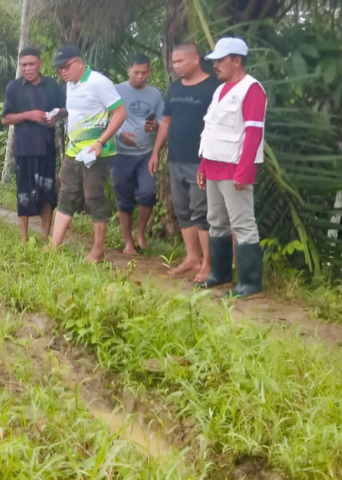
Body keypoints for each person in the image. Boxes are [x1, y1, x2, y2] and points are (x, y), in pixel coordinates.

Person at [198, 37, 267, 298]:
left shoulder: (252, 89)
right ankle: (221, 273)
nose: (215, 65)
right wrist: (203, 165)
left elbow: (253, 134)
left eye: (220, 60)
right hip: (214, 165)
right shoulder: (220, 90)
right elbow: (211, 131)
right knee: (217, 221)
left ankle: (250, 282)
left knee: (242, 223)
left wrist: (245, 170)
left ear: (236, 60)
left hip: (234, 168)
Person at [150, 43, 221, 284]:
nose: (176, 66)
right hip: (176, 160)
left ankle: (209, 265)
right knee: (183, 211)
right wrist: (156, 152)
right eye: (174, 62)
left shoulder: (214, 87)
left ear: (195, 59)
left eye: (180, 61)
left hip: (200, 162)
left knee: (202, 213)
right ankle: (192, 257)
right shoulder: (175, 87)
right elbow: (166, 122)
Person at [50, 45, 127, 262]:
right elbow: (79, 111)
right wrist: (60, 114)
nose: (62, 72)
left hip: (97, 154)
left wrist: (101, 142)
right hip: (74, 151)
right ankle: (53, 245)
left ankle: (98, 250)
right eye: (58, 69)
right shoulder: (70, 85)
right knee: (65, 193)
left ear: (79, 62)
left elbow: (120, 113)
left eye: (65, 67)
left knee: (94, 198)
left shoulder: (98, 82)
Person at [1, 46, 66, 242]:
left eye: (31, 64)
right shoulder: (13, 87)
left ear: (40, 64)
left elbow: (65, 109)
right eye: (23, 65)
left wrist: (56, 115)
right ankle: (24, 238)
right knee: (23, 193)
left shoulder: (52, 85)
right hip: (23, 148)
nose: (27, 68)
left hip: (46, 147)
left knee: (47, 194)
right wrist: (26, 115)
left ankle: (46, 236)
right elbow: (5, 119)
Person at [111, 55, 164, 255]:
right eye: (136, 72)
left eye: (144, 73)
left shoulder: (155, 94)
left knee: (148, 194)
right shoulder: (117, 91)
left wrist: (155, 125)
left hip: (145, 154)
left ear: (149, 72)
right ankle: (128, 242)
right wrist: (119, 133)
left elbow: (162, 120)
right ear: (128, 71)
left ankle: (140, 232)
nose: (140, 76)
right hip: (120, 154)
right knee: (124, 198)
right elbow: (105, 117)